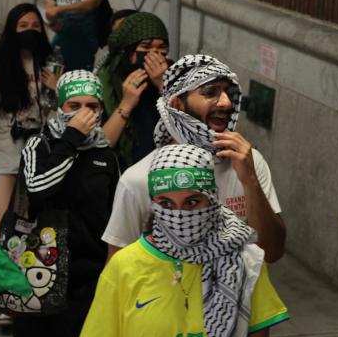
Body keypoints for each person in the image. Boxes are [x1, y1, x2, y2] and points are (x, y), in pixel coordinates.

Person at [75, 143, 289, 337]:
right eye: (166, 203)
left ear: (212, 199)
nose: (179, 215)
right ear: (152, 203)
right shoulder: (123, 267)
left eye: (192, 202)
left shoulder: (245, 261)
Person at [101, 54, 286, 263]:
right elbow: (117, 270)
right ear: (178, 104)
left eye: (229, 92)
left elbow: (272, 253)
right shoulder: (138, 179)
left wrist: (250, 180)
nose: (226, 102)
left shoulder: (249, 163)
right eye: (210, 93)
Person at [13, 70, 120, 337]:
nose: (84, 114)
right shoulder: (40, 145)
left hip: (87, 277)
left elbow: (115, 218)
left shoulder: (106, 155)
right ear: (60, 107)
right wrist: (71, 139)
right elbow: (38, 189)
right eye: (74, 106)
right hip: (39, 275)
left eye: (92, 107)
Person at [0, 3, 60, 240]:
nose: (30, 30)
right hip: (0, 150)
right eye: (23, 25)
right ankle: (1, 275)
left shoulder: (49, 64)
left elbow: (59, 110)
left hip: (34, 152)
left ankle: (23, 271)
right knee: (3, 221)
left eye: (36, 26)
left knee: (27, 223)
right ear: (11, 29)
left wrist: (57, 88)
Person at [97, 12, 170, 165]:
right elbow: (99, 147)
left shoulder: (175, 77)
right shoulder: (105, 83)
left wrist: (165, 87)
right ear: (128, 52)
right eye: (146, 46)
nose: (155, 54)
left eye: (162, 47)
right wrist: (126, 104)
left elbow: (187, 131)